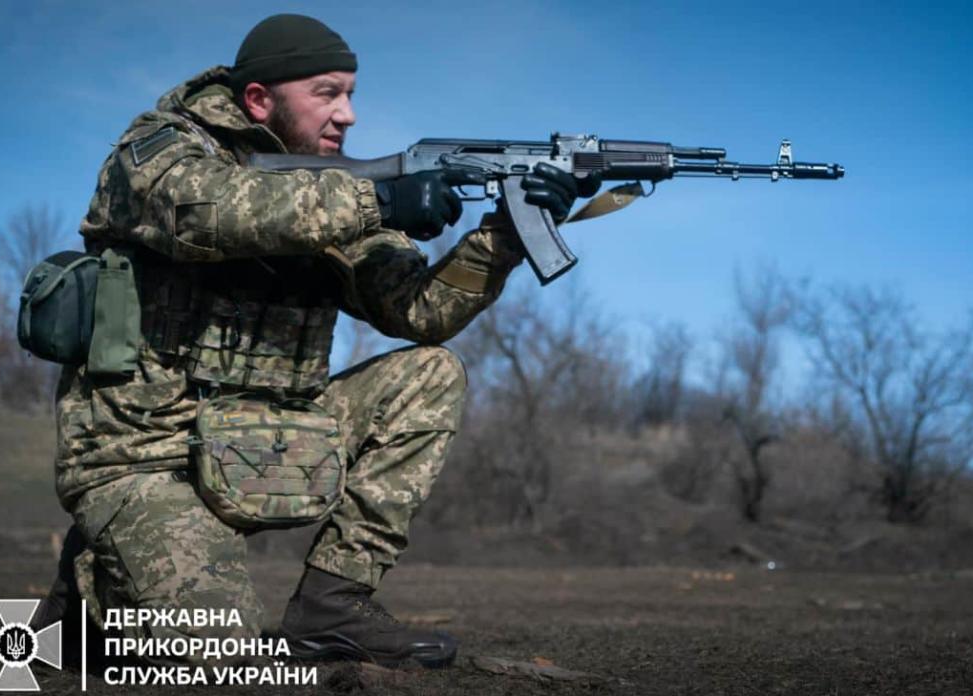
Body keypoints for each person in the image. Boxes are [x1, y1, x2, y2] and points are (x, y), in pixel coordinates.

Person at [33, 13, 599, 670]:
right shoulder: (158, 150)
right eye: (327, 93)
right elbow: (208, 211)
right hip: (148, 461)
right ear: (257, 99)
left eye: (351, 94)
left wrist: (504, 233)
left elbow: (419, 311)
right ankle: (92, 596)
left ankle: (333, 601)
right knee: (218, 658)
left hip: (261, 445)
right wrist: (380, 203)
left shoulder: (340, 189)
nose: (349, 115)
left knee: (430, 371)